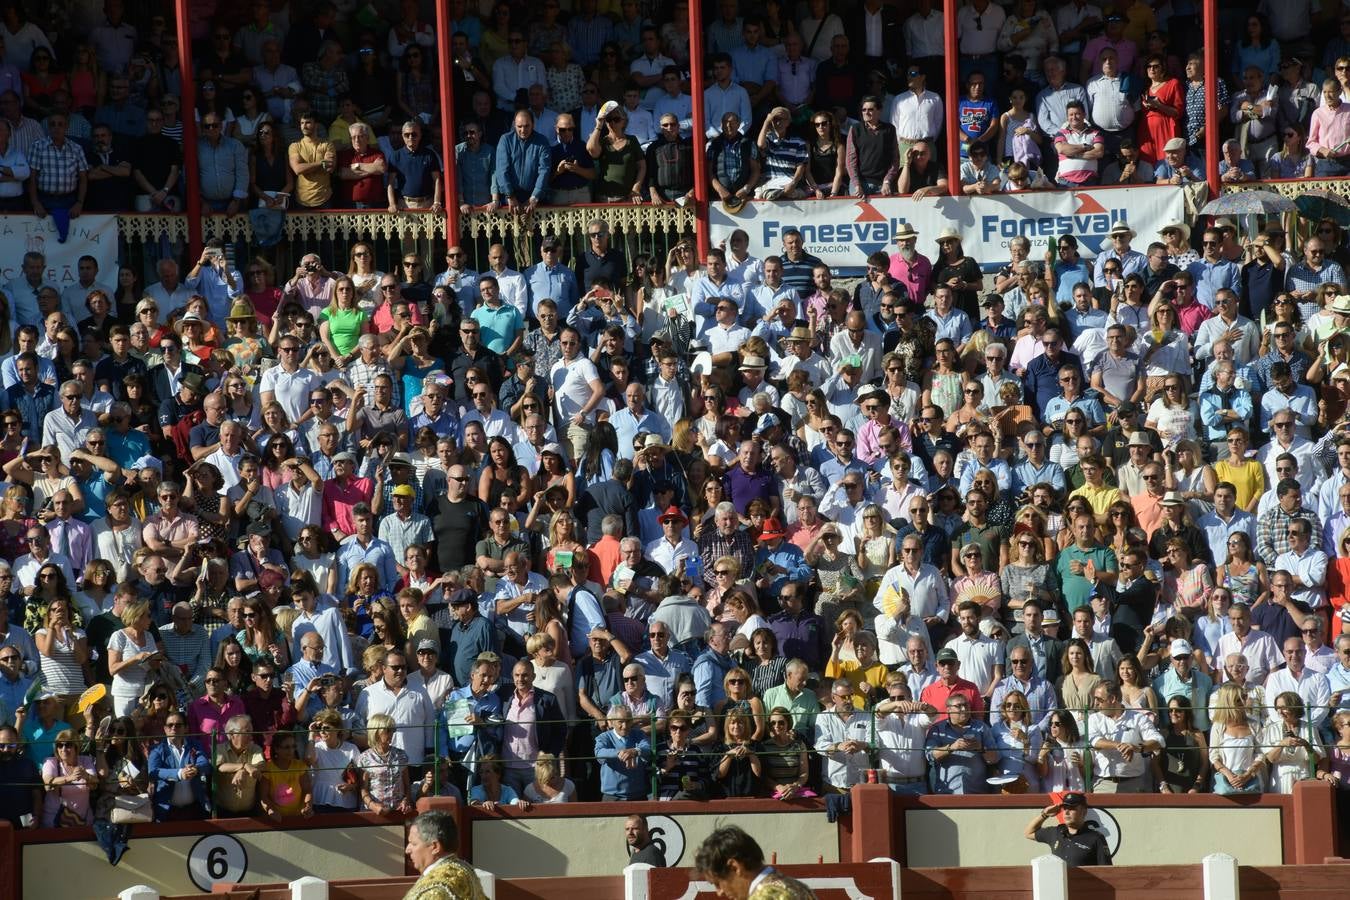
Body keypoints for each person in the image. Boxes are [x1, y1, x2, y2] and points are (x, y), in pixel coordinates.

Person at [694, 825, 817, 900]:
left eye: (717, 883)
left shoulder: (764, 897)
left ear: (735, 867)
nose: (719, 892)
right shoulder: (797, 886)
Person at [404, 809, 488, 900]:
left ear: (435, 847)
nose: (407, 850)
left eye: (414, 844)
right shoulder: (466, 869)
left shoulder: (432, 892)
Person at [1024, 792, 1113, 865]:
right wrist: (1044, 814)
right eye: (1065, 808)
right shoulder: (1055, 832)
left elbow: (1106, 871)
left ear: (1084, 811)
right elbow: (1028, 833)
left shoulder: (1096, 838)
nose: (1066, 812)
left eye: (1072, 808)